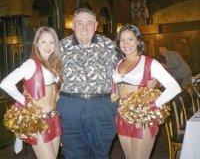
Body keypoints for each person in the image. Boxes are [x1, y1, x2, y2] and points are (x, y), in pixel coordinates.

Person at [58, 8, 157, 159]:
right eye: (80, 23)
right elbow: (41, 69)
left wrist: (152, 79)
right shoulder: (59, 47)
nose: (84, 28)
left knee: (101, 152)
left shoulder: (110, 46)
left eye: (89, 23)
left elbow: (133, 64)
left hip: (102, 105)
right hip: (71, 105)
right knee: (73, 153)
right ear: (73, 26)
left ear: (96, 25)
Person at [112, 25, 181, 159]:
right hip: (121, 117)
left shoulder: (150, 63)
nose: (126, 44)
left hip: (141, 118)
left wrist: (153, 105)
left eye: (130, 39)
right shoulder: (118, 63)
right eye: (122, 40)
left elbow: (174, 87)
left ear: (138, 41)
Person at [0, 27, 62, 159]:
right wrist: (24, 101)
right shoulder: (31, 64)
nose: (48, 46)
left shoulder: (52, 63)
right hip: (38, 121)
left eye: (52, 42)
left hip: (54, 118)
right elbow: (5, 83)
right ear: (37, 43)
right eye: (44, 42)